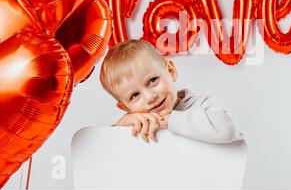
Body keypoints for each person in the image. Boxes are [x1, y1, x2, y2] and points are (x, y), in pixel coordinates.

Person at [99, 39, 244, 144]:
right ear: (125, 108)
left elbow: (227, 130)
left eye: (152, 80)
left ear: (171, 71)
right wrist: (119, 128)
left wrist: (167, 122)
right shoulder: (137, 124)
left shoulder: (201, 105)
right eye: (135, 95)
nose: (150, 97)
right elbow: (107, 159)